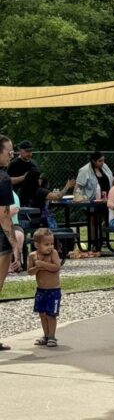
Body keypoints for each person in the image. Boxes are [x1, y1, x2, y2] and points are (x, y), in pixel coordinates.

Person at [0, 135, 22, 349]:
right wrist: (15, 245)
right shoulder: (3, 179)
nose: (11, 155)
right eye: (9, 152)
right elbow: (4, 215)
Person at [27, 227, 62, 348]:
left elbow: (56, 267)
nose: (50, 247)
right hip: (41, 290)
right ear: (37, 245)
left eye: (52, 243)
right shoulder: (32, 256)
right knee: (42, 314)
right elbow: (30, 272)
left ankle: (52, 336)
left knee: (51, 314)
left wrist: (42, 264)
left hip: (54, 290)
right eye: (46, 244)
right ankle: (46, 335)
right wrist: (36, 268)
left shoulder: (54, 254)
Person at [76, 151, 114, 253]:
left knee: (106, 218)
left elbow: (112, 178)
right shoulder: (85, 170)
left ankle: (103, 239)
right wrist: (78, 196)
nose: (102, 163)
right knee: (93, 219)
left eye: (103, 160)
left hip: (107, 199)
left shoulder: (105, 167)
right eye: (100, 161)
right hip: (92, 201)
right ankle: (93, 243)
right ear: (93, 161)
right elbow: (78, 186)